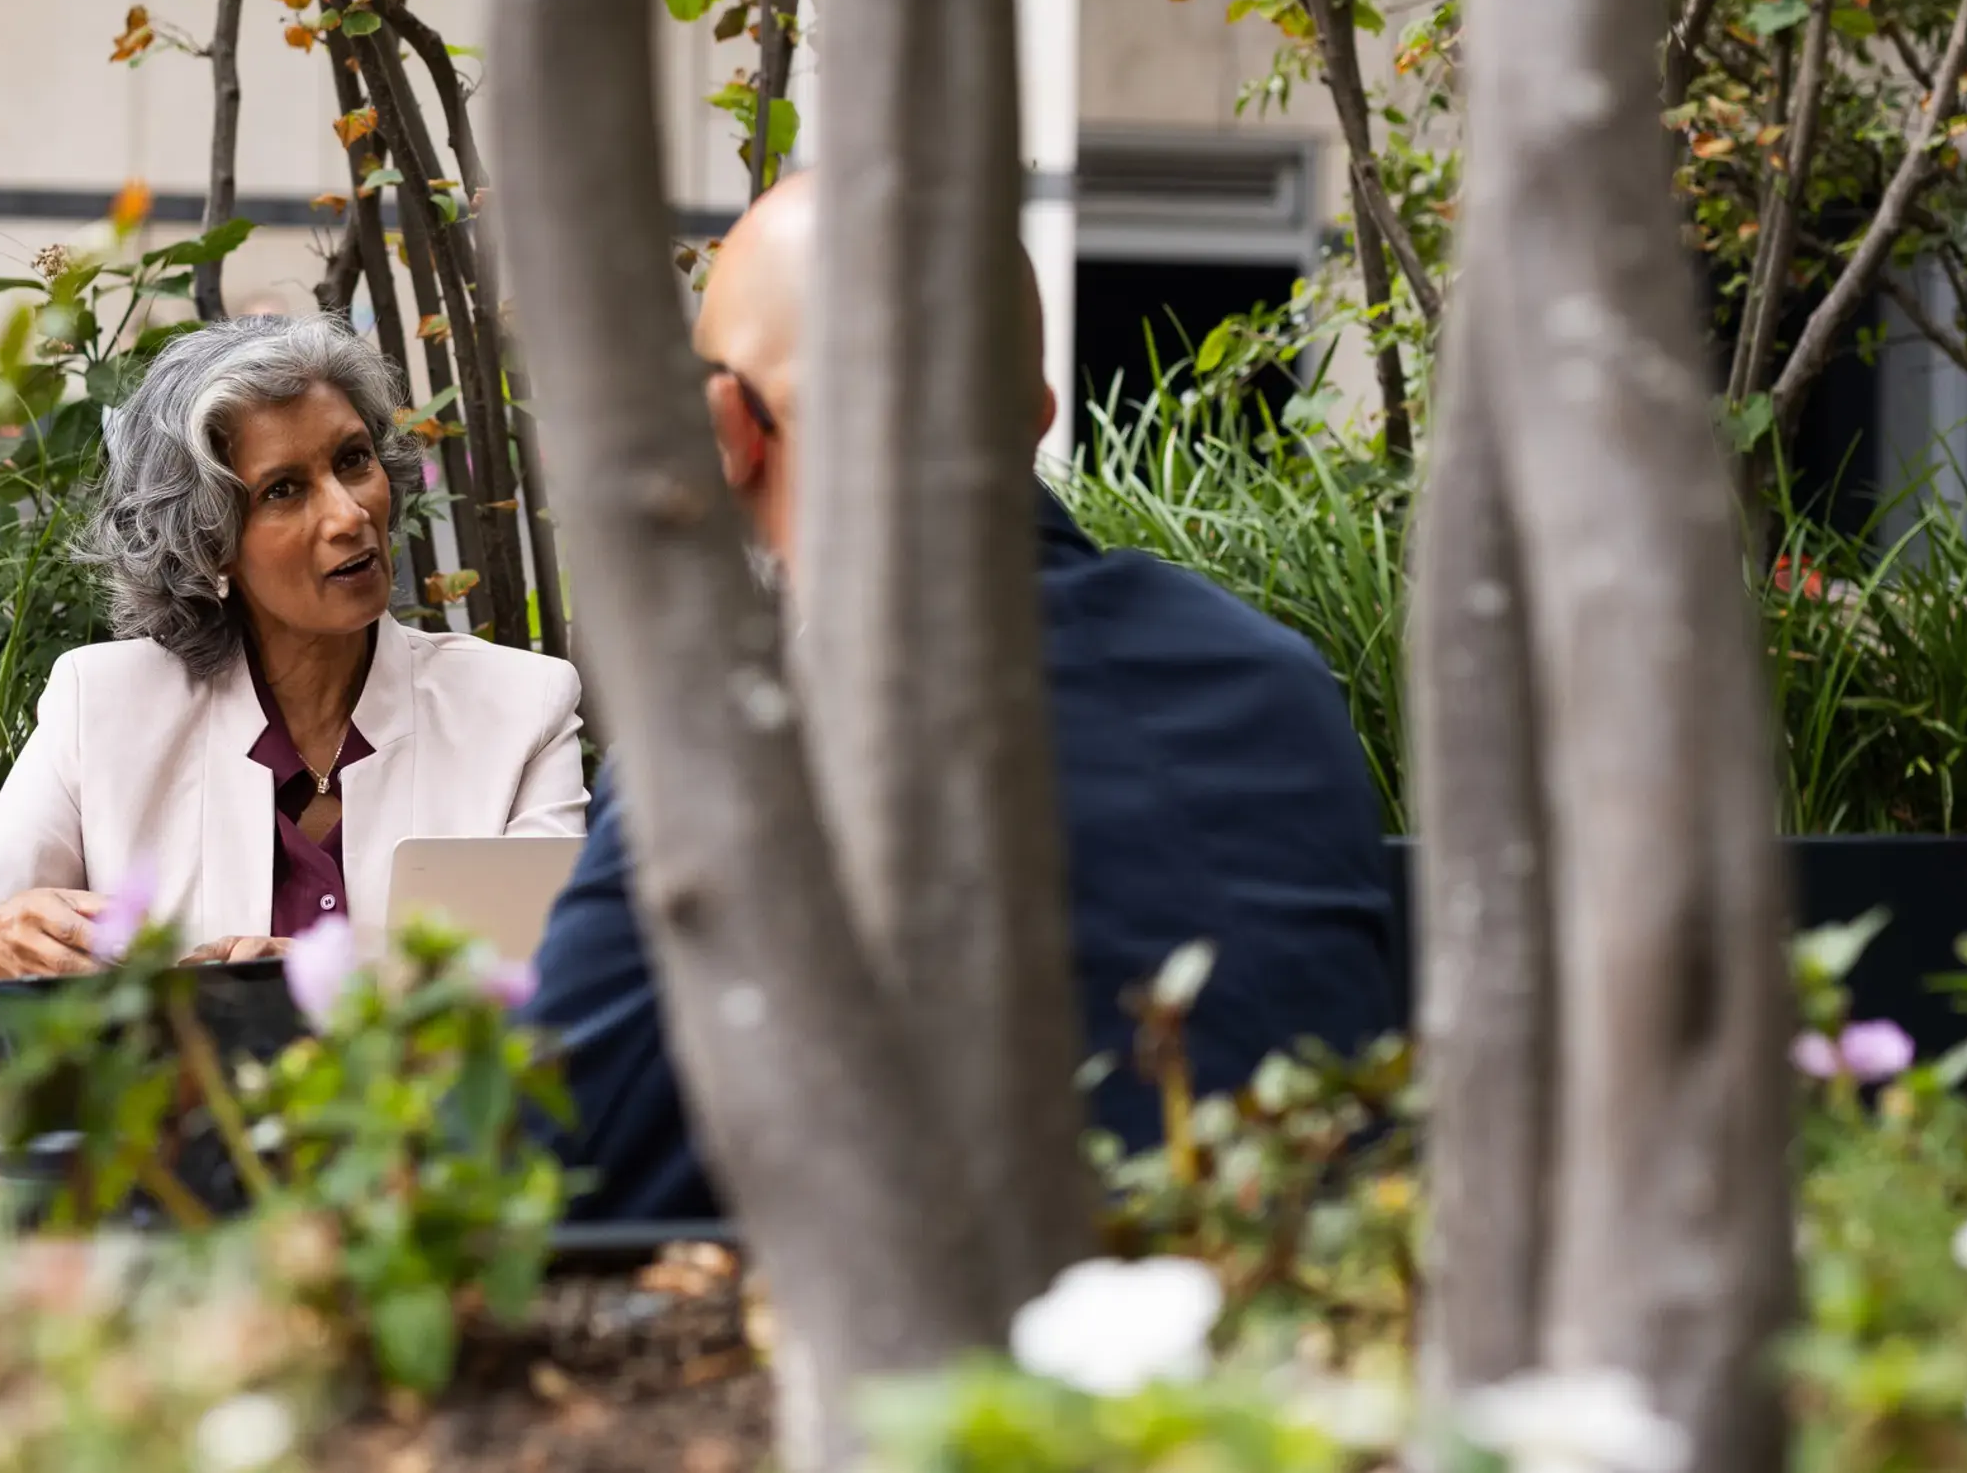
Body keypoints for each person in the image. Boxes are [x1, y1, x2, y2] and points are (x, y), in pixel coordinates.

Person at [524, 174, 1407, 1220]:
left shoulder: (745, 741)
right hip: (1303, 1346)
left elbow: (542, 1181)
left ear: (728, 429)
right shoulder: (1278, 684)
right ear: (1037, 408)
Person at [0, 314, 589, 1086]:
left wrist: (340, 986)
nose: (349, 514)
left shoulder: (519, 709)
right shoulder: (105, 706)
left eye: (353, 460)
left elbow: (566, 1014)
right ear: (209, 542)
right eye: (284, 490)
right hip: (158, 1184)